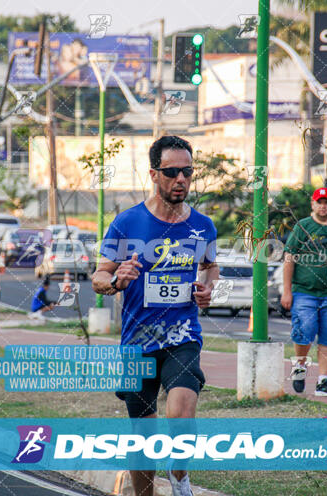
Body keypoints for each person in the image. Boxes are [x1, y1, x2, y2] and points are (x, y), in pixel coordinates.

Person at [92, 135, 219, 496]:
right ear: (153, 173)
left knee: (180, 413)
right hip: (137, 342)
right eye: (173, 172)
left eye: (188, 172)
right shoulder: (126, 223)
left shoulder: (203, 226)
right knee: (143, 438)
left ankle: (179, 478)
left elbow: (212, 267)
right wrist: (116, 280)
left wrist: (209, 289)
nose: (181, 179)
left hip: (182, 335)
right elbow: (99, 276)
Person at [281, 187, 327, 397]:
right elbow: (289, 260)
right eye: (319, 202)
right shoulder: (302, 227)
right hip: (304, 292)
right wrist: (287, 291)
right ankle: (300, 366)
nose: (323, 206)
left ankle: (323, 381)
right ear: (313, 204)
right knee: (304, 330)